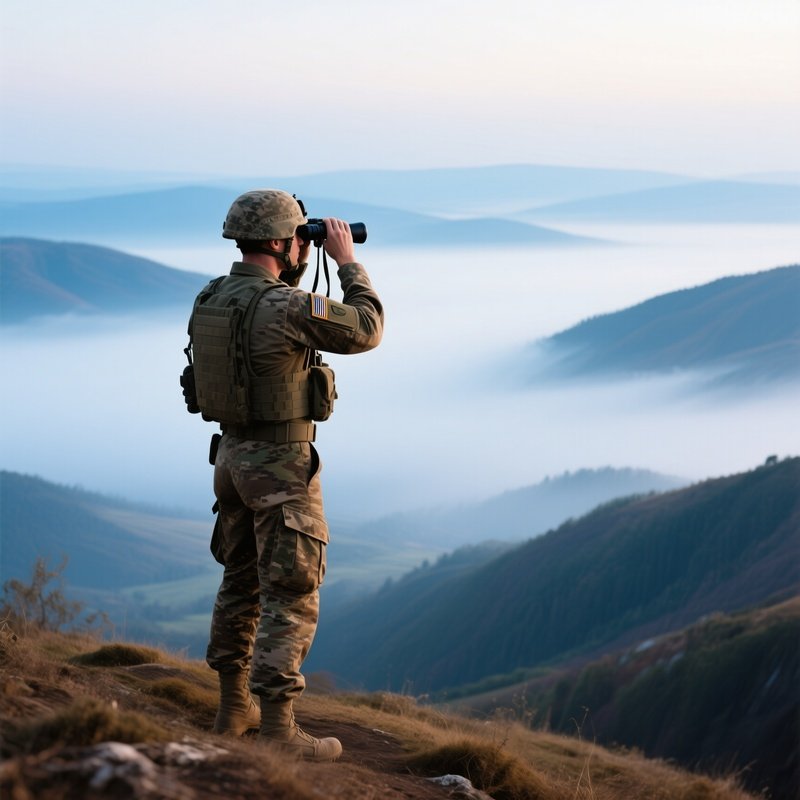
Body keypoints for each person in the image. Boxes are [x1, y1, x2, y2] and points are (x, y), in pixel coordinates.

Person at [184, 189, 383, 761]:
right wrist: (346, 263)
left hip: (229, 460)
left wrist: (299, 263)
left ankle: (231, 708)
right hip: (280, 468)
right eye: (299, 236)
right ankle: (277, 730)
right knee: (291, 591)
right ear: (277, 241)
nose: (305, 244)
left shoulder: (210, 297)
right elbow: (366, 328)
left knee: (240, 581)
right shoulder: (287, 307)